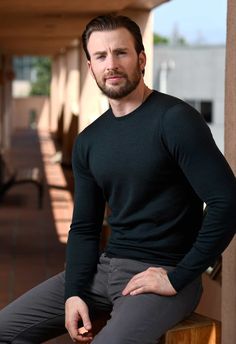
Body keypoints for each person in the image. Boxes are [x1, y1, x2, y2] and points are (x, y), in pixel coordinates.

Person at [0, 14, 236, 344]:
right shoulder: (89, 140)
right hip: (104, 268)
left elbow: (227, 201)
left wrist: (180, 275)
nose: (111, 64)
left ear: (141, 58)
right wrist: (74, 292)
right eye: (101, 56)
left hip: (162, 274)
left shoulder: (175, 120)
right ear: (90, 66)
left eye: (120, 53)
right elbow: (84, 226)